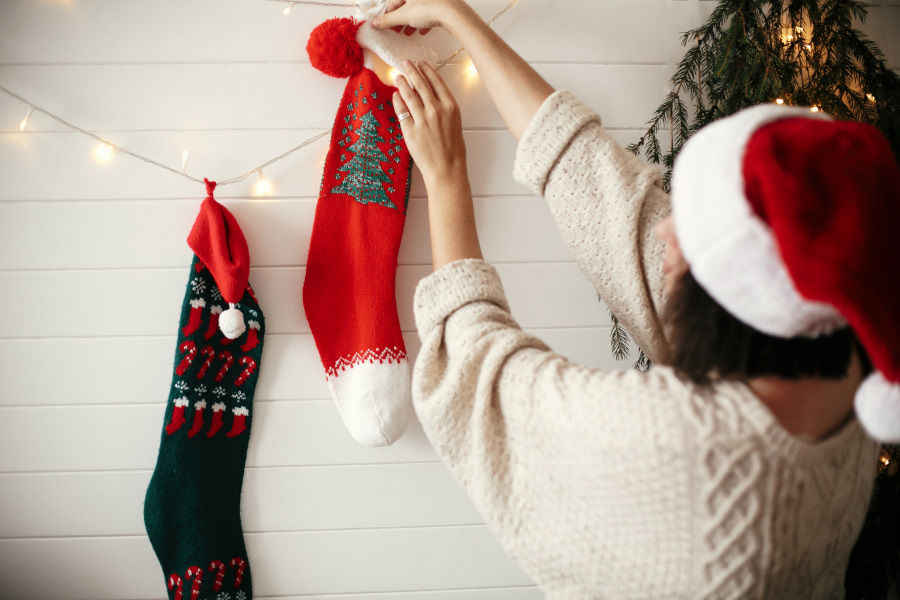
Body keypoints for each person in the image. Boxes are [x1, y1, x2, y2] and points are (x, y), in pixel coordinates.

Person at [372, 0, 900, 597]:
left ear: (738, 292)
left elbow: (482, 382)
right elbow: (601, 187)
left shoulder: (687, 458)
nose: (667, 229)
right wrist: (461, 18)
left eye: (694, 228)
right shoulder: (843, 360)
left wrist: (445, 177)